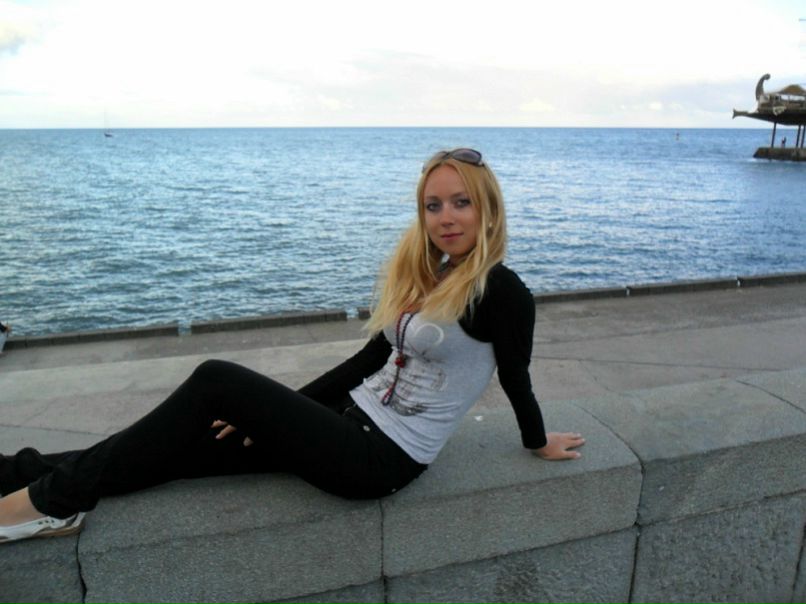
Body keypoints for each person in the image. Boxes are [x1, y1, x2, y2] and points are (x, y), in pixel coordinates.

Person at [0, 148, 584, 544]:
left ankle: (47, 506)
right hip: (344, 419)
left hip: (380, 459)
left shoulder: (503, 292)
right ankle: (18, 474)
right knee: (183, 448)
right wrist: (275, 415)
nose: (446, 218)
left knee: (215, 378)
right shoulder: (431, 275)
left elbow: (516, 376)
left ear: (488, 208)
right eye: (434, 205)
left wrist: (537, 442)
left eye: (461, 202)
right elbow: (369, 360)